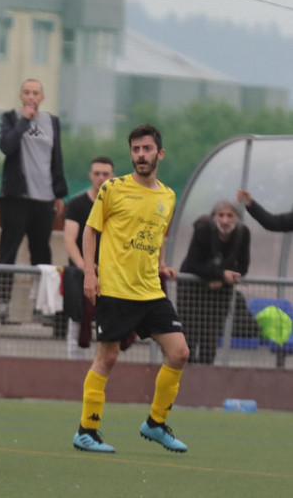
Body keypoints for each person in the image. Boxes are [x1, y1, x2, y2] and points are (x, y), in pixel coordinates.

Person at [73, 123, 190, 454]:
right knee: (106, 358)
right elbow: (90, 231)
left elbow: (158, 235)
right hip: (116, 290)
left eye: (147, 149)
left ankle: (154, 423)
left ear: (159, 154)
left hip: (151, 291)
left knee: (180, 352)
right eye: (136, 150)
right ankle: (86, 430)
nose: (141, 155)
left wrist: (161, 262)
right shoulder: (113, 188)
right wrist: (89, 274)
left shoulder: (167, 195)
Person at [0, 79, 68, 323]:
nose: (31, 97)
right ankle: (2, 305)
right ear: (20, 95)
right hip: (16, 197)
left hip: (44, 199)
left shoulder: (52, 122)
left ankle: (41, 308)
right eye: (26, 92)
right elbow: (7, 146)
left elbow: (56, 157)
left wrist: (59, 193)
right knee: (8, 252)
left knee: (42, 256)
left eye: (35, 93)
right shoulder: (10, 118)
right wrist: (25, 120)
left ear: (42, 97)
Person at [178, 200, 250, 364]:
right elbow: (192, 263)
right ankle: (184, 377)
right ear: (214, 217)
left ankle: (205, 376)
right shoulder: (203, 229)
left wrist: (223, 280)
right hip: (192, 289)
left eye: (229, 216)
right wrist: (220, 275)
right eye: (221, 215)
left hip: (219, 293)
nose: (225, 221)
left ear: (237, 218)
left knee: (210, 340)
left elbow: (244, 266)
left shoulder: (243, 233)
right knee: (189, 337)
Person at [63, 157, 114, 359]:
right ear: (90, 176)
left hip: (110, 274)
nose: (101, 178)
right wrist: (87, 269)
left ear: (112, 176)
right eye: (97, 173)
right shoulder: (76, 204)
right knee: (77, 319)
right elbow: (69, 240)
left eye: (105, 174)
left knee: (110, 321)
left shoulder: (117, 205)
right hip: (80, 274)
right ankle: (74, 363)